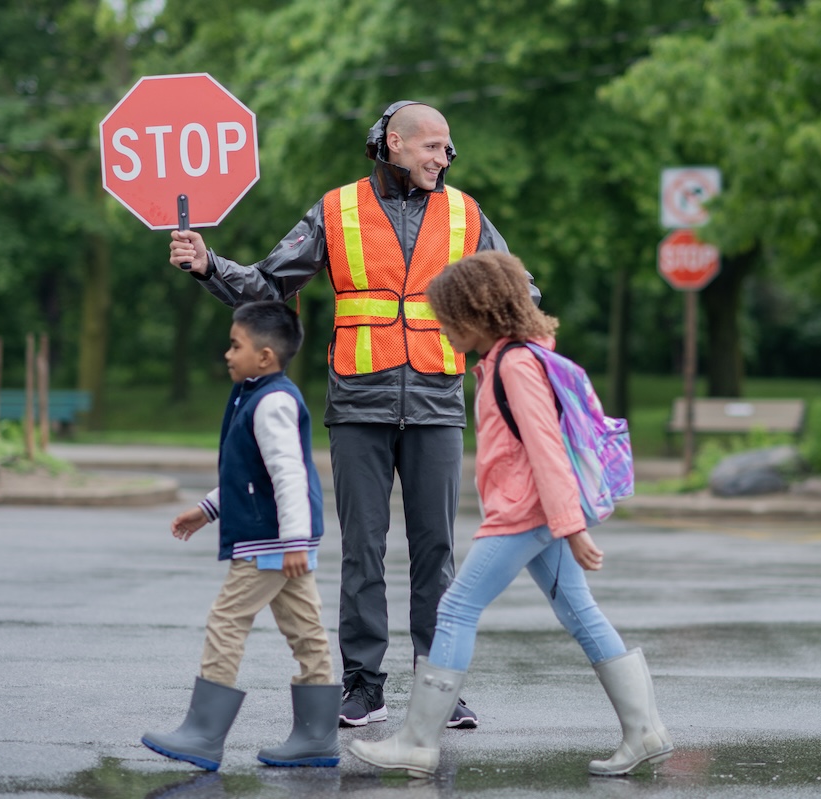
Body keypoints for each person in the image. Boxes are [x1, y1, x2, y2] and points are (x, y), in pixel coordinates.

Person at [169, 101, 537, 730]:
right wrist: (208, 265)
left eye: (448, 150)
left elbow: (519, 288)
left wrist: (520, 327)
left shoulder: (465, 213)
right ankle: (364, 686)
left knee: (436, 550)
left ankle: (438, 684)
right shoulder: (336, 210)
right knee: (363, 551)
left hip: (437, 402)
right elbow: (267, 283)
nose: (444, 159)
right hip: (359, 403)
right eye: (433, 147)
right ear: (393, 143)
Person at [348, 251, 673, 779]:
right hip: (540, 511)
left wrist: (571, 527)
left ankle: (417, 741)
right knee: (581, 613)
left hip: (525, 513)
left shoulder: (515, 365)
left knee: (454, 611)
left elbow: (546, 450)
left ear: (477, 315)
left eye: (447, 317)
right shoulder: (514, 359)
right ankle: (645, 731)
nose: (443, 329)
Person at [141, 300, 341, 771]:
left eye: (236, 345)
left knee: (227, 620)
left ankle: (203, 734)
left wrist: (292, 540)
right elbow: (246, 475)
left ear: (266, 356)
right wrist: (208, 509)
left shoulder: (271, 401)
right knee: (306, 632)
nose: (228, 354)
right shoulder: (256, 394)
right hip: (281, 539)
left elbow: (288, 474)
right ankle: (317, 737)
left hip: (271, 541)